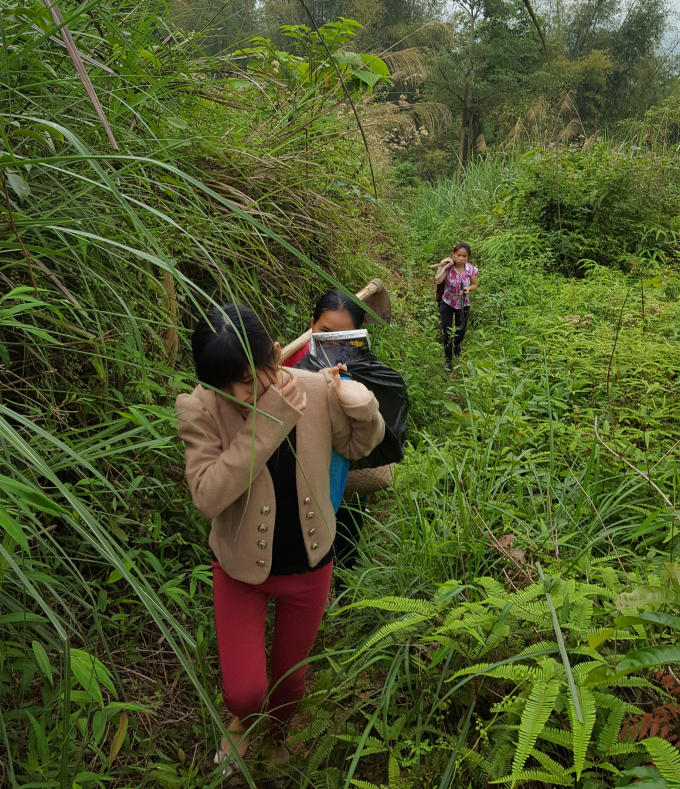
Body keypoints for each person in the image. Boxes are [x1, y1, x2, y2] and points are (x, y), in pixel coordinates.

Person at [176, 303, 384, 774]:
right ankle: (243, 719)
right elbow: (207, 496)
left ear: (274, 355)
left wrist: (361, 406)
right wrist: (268, 418)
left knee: (291, 679)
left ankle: (280, 728)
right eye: (224, 385)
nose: (238, 394)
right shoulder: (199, 408)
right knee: (243, 690)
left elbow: (357, 446)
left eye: (248, 379)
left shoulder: (315, 389)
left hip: (310, 565)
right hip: (239, 570)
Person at [284, 290, 368, 569]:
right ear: (311, 324)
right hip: (299, 461)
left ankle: (343, 575)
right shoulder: (291, 359)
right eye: (325, 331)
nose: (333, 343)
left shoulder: (365, 365)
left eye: (343, 337)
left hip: (345, 462)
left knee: (345, 521)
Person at [434, 242, 478, 369]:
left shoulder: (471, 269)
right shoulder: (447, 267)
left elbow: (475, 285)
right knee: (447, 332)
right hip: (447, 302)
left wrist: (468, 288)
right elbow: (437, 280)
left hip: (463, 303)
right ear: (453, 255)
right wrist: (443, 263)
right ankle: (448, 359)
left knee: (460, 330)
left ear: (468, 257)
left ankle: (457, 346)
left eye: (464, 256)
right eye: (458, 255)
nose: (461, 258)